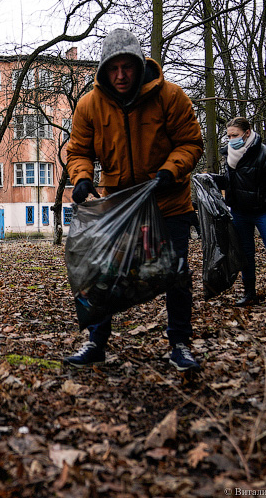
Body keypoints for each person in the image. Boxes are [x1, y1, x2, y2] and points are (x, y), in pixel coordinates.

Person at [65, 28, 204, 371]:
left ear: (140, 65)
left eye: (128, 67)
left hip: (168, 202)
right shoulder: (89, 105)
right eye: (114, 69)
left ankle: (180, 344)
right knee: (102, 273)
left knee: (176, 274)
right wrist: (82, 178)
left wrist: (171, 170)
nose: (121, 75)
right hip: (119, 206)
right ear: (103, 71)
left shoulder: (169, 96)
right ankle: (96, 342)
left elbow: (191, 143)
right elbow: (78, 151)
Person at [211, 117, 266, 307]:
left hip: (263, 211)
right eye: (229, 135)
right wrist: (211, 179)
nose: (231, 139)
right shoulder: (230, 155)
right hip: (240, 212)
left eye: (236, 135)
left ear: (247, 133)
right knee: (245, 255)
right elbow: (230, 183)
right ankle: (249, 293)